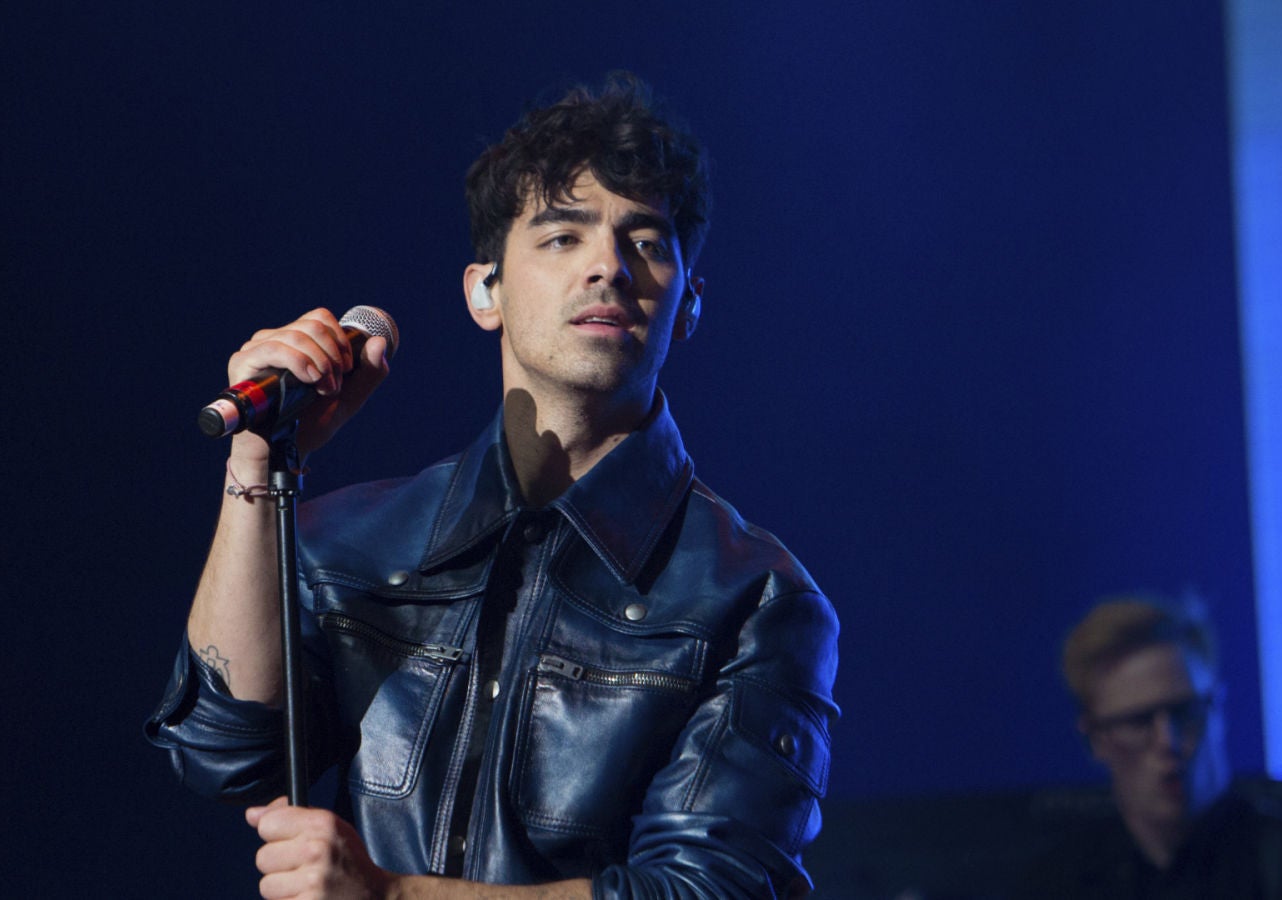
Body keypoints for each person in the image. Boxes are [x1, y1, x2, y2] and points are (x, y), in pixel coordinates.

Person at [145, 73, 841, 899]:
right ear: (485, 291)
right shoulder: (355, 543)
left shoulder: (754, 597)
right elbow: (221, 752)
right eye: (563, 236)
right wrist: (257, 465)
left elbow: (711, 891)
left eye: (648, 242)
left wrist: (396, 897)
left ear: (688, 304)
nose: (608, 268)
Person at [1017, 594, 1282, 898]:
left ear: (1218, 709)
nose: (1167, 742)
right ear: (1095, 737)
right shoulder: (1056, 885)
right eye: (1139, 721)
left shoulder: (1276, 862)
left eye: (1184, 712)